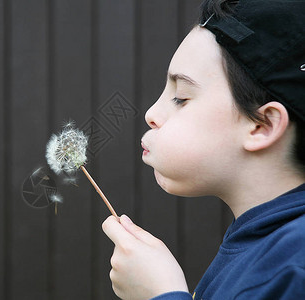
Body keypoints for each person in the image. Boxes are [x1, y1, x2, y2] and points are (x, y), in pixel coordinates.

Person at [102, 0, 305, 299]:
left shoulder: (295, 264)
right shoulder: (263, 243)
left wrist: (161, 294)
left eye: (181, 97)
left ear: (262, 125)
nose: (150, 113)